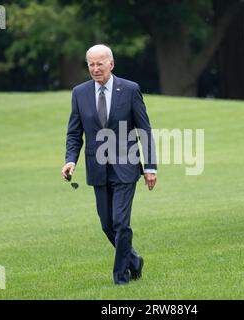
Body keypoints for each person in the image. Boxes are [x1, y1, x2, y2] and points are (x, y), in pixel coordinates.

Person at [61, 44, 157, 285]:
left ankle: (121, 277)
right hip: (97, 168)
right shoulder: (79, 93)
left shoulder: (130, 89)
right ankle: (134, 260)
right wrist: (70, 160)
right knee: (107, 225)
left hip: (126, 165)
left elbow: (144, 129)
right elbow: (75, 133)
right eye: (91, 64)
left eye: (99, 64)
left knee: (120, 222)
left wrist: (150, 167)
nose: (95, 69)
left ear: (111, 64)